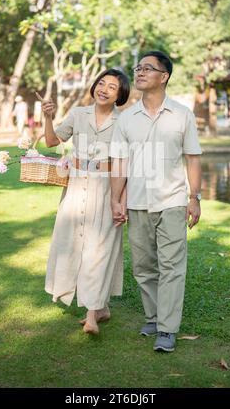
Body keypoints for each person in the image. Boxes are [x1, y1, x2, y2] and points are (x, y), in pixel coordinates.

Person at [110, 51, 202, 352]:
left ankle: (167, 328)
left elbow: (193, 158)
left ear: (164, 76)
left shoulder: (182, 114)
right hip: (137, 202)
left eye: (148, 68)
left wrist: (194, 197)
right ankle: (153, 316)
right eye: (138, 67)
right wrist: (116, 199)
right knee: (143, 266)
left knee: (172, 265)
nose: (140, 72)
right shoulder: (126, 119)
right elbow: (120, 163)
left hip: (173, 201)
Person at [43, 68, 130, 335]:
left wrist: (120, 201)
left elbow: (125, 166)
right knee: (74, 245)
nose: (103, 89)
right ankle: (100, 308)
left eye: (112, 87)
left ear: (120, 95)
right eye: (101, 83)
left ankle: (92, 315)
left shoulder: (123, 123)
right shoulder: (78, 114)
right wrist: (47, 117)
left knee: (99, 249)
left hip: (107, 189)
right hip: (76, 186)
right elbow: (50, 141)